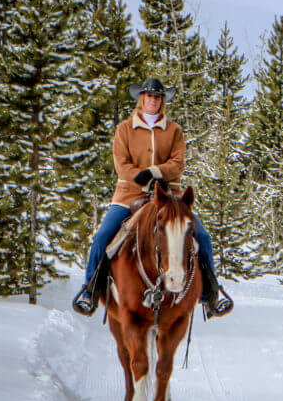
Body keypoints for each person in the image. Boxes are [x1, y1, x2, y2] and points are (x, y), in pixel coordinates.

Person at [71, 77, 233, 319]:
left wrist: (157, 173)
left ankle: (210, 295)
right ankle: (90, 291)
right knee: (104, 236)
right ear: (141, 98)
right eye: (149, 96)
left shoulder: (174, 130)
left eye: (158, 97)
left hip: (169, 197)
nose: (153, 101)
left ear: (162, 101)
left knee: (203, 237)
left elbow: (178, 163)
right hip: (129, 195)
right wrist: (142, 177)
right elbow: (121, 164)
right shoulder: (124, 129)